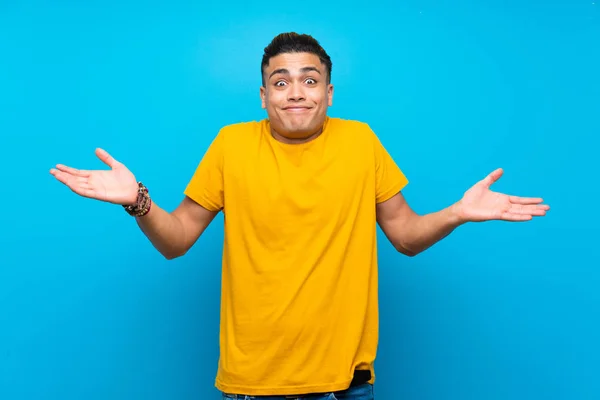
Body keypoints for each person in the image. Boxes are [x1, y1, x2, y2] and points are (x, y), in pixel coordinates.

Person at [50, 32, 549, 400]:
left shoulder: (361, 142)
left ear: (329, 92)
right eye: (280, 81)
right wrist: (137, 199)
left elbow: (405, 235)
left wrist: (457, 213)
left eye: (310, 81)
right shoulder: (231, 144)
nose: (296, 92)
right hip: (254, 384)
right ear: (263, 95)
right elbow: (176, 239)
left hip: (346, 384)